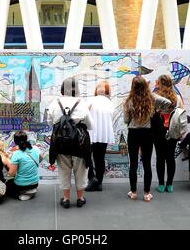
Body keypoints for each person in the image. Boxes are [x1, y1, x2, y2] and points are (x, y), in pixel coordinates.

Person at [123, 76, 172, 202]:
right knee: (147, 164)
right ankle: (146, 194)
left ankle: (133, 192)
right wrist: (157, 111)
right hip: (147, 133)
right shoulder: (151, 98)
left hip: (133, 133)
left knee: (133, 164)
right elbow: (168, 103)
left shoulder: (129, 100)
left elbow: (126, 120)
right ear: (145, 86)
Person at [47, 77, 93, 208]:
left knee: (63, 170)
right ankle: (80, 198)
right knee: (80, 170)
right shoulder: (82, 103)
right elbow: (90, 125)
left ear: (62, 89)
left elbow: (50, 123)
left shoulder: (54, 103)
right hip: (79, 143)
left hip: (60, 142)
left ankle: (66, 199)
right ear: (76, 89)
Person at [153, 74, 184, 194]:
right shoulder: (177, 98)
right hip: (173, 130)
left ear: (160, 84)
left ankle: (161, 185)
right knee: (170, 157)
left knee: (160, 157)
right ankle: (169, 185)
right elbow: (181, 115)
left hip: (158, 130)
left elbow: (151, 114)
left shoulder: (156, 98)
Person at [85, 81, 115, 192]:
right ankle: (95, 180)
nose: (100, 89)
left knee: (98, 158)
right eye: (99, 87)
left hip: (96, 133)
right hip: (97, 133)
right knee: (93, 157)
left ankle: (96, 180)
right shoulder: (106, 102)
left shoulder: (106, 102)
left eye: (103, 87)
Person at [6, 131, 43, 201]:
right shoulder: (35, 148)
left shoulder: (16, 154)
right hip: (35, 183)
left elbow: (11, 173)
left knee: (8, 184)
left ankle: (24, 194)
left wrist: (9, 161)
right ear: (26, 139)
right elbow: (41, 158)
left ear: (15, 142)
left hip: (22, 185)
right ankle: (31, 191)